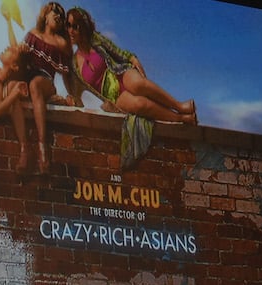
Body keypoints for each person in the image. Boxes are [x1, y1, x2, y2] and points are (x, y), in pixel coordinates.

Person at [64, 7, 196, 124]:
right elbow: (78, 96)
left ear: (83, 27)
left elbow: (116, 51)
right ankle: (180, 118)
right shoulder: (74, 63)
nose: (70, 31)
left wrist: (133, 59)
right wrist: (71, 100)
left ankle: (179, 106)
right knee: (140, 104)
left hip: (120, 73)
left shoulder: (95, 39)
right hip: (112, 96)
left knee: (139, 84)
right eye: (68, 25)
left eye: (75, 26)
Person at [14, 2, 73, 173]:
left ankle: (42, 148)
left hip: (44, 79)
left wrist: (72, 95)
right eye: (55, 12)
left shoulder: (60, 42)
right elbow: (20, 62)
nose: (58, 16)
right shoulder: (32, 34)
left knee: (35, 85)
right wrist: (22, 52)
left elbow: (68, 72)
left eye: (61, 15)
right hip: (28, 74)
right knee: (13, 88)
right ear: (45, 16)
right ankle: (24, 149)